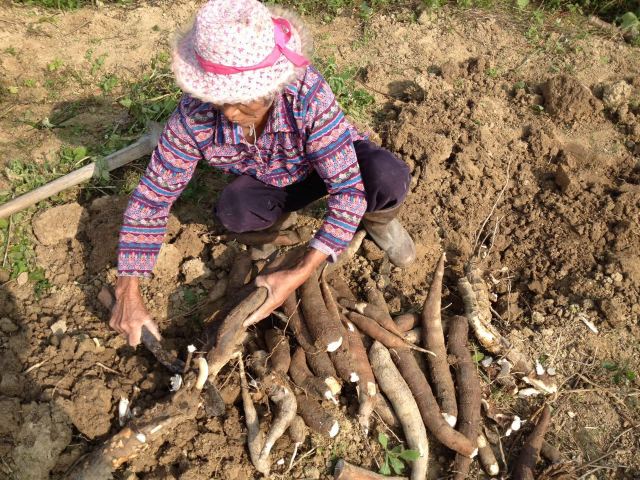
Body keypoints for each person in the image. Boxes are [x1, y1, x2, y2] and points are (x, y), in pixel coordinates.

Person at [110, 0, 416, 346]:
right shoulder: (193, 117)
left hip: (329, 161)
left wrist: (302, 272)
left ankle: (378, 221)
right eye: (218, 98)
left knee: (385, 175)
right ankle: (278, 235)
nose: (227, 111)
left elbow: (347, 190)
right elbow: (152, 197)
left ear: (272, 87)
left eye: (242, 100)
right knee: (235, 208)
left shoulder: (307, 96)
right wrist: (127, 289)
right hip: (272, 179)